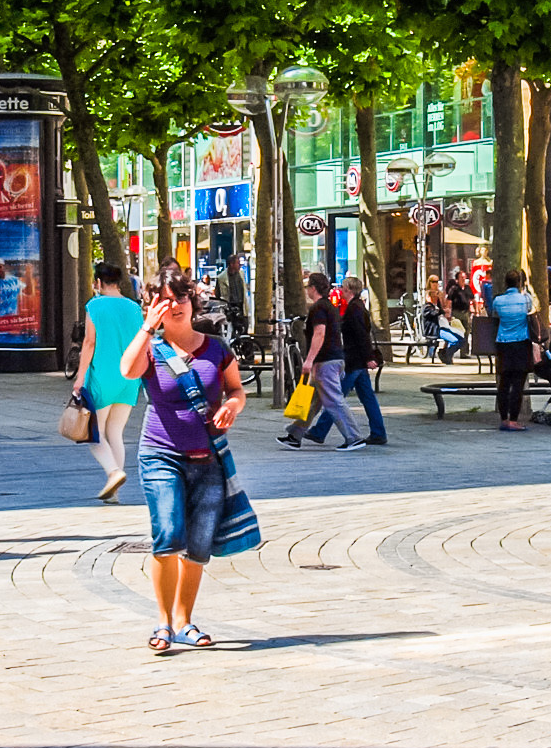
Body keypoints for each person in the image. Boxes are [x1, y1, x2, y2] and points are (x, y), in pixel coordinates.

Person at [121, 264, 257, 653]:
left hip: (207, 457)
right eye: (163, 300)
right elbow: (127, 371)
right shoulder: (151, 347)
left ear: (192, 302)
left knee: (198, 545)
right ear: (151, 305)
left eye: (180, 298)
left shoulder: (215, 348)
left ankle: (183, 620)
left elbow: (236, 389)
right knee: (168, 534)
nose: (173, 305)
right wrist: (148, 328)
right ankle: (162, 623)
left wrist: (233, 405)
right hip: (161, 454)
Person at [77, 260, 145, 499]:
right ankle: (115, 491)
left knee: (93, 434)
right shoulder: (134, 308)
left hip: (102, 376)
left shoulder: (94, 306)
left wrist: (80, 377)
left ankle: (113, 472)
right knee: (115, 432)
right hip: (129, 377)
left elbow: (89, 343)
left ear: (98, 282)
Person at [280, 270, 362, 450]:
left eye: (308, 286)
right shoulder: (329, 306)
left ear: (313, 288)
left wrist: (309, 361)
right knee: (313, 401)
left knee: (333, 400)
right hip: (332, 359)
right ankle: (295, 434)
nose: (306, 290)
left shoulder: (318, 308)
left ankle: (353, 437)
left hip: (326, 360)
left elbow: (319, 333)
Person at [323, 276, 389, 447]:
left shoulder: (354, 309)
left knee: (335, 397)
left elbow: (361, 336)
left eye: (343, 288)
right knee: (367, 397)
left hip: (354, 361)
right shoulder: (357, 307)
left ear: (348, 290)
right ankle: (378, 432)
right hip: (358, 360)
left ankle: (319, 430)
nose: (341, 291)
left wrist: (369, 358)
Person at [489, 267, 541, 430]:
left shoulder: (498, 300)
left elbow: (494, 313)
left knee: (504, 383)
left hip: (503, 343)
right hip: (521, 343)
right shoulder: (525, 299)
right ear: (519, 283)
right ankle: (514, 419)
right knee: (518, 384)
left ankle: (504, 419)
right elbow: (530, 310)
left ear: (505, 283)